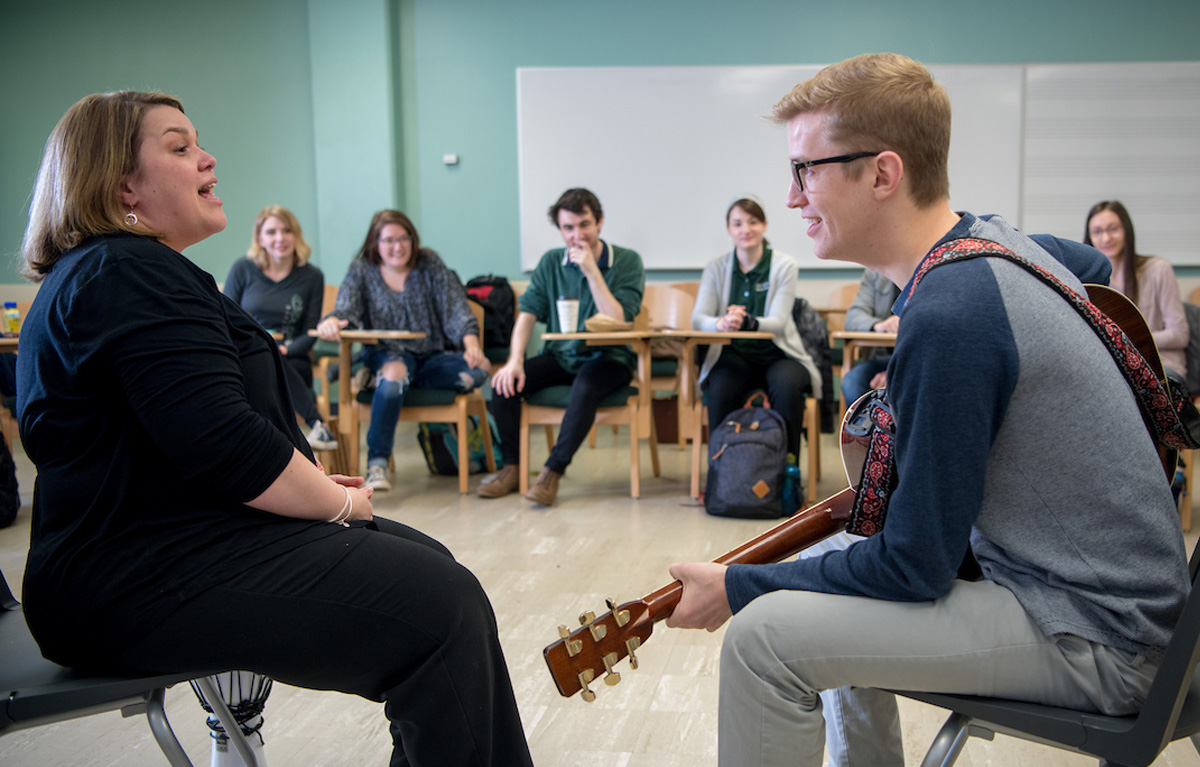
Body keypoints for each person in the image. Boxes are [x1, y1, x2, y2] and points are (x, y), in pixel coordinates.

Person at [665, 54, 1188, 767]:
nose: (790, 198)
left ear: (883, 174)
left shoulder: (952, 310)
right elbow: (1092, 271)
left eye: (805, 170)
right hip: (1125, 606)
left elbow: (914, 567)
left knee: (764, 640)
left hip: (1100, 636)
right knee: (831, 574)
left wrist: (737, 585)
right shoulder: (996, 238)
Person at [16, 91, 533, 767]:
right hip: (133, 578)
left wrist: (312, 484)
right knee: (443, 608)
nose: (208, 158)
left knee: (434, 568)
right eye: (179, 148)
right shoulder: (125, 271)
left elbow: (179, 435)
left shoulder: (127, 272)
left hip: (171, 542)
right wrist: (341, 501)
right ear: (122, 187)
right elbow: (225, 446)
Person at [478, 187, 645, 506]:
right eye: (568, 228)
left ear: (600, 223)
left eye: (584, 225)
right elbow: (527, 315)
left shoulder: (626, 261)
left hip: (610, 358)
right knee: (503, 385)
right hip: (560, 355)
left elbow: (620, 318)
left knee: (585, 387)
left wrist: (591, 270)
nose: (576, 235)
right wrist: (514, 360)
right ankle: (511, 469)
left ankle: (551, 473)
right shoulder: (551, 261)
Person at [315, 209, 489, 492]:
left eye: (404, 238)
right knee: (395, 372)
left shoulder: (429, 262)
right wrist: (333, 321)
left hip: (429, 357)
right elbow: (346, 309)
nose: (397, 247)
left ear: (413, 238)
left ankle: (377, 378)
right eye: (388, 240)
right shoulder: (362, 270)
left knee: (478, 370)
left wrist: (471, 345)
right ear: (375, 243)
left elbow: (456, 308)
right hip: (387, 353)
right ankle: (377, 464)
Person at [692, 196, 819, 480]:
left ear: (764, 225)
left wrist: (747, 322)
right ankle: (721, 473)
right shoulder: (716, 268)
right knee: (722, 385)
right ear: (729, 229)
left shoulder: (784, 265)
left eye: (752, 221)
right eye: (737, 223)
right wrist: (721, 323)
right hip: (734, 356)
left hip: (778, 354)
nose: (745, 229)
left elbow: (778, 323)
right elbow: (698, 318)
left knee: (787, 385)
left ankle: (786, 473)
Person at [225, 205, 337, 453]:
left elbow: (310, 332)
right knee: (265, 356)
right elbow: (227, 318)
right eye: (271, 232)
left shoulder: (312, 276)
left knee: (273, 359)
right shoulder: (242, 269)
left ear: (296, 234)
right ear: (260, 238)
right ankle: (317, 424)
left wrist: (286, 349)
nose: (280, 238)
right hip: (247, 355)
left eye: (286, 231)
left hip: (294, 359)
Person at [1085, 200, 1188, 379]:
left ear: (1127, 231)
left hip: (1162, 364)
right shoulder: (1088, 282)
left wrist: (1126, 343)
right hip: (1114, 368)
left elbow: (1179, 335)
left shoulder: (1158, 269)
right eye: (1097, 232)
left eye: (1113, 229)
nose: (1106, 238)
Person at [839, 269, 898, 407]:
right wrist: (878, 325)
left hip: (915, 361)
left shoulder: (931, 270)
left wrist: (893, 371)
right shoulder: (875, 273)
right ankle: (863, 427)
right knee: (853, 380)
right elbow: (853, 318)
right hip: (881, 359)